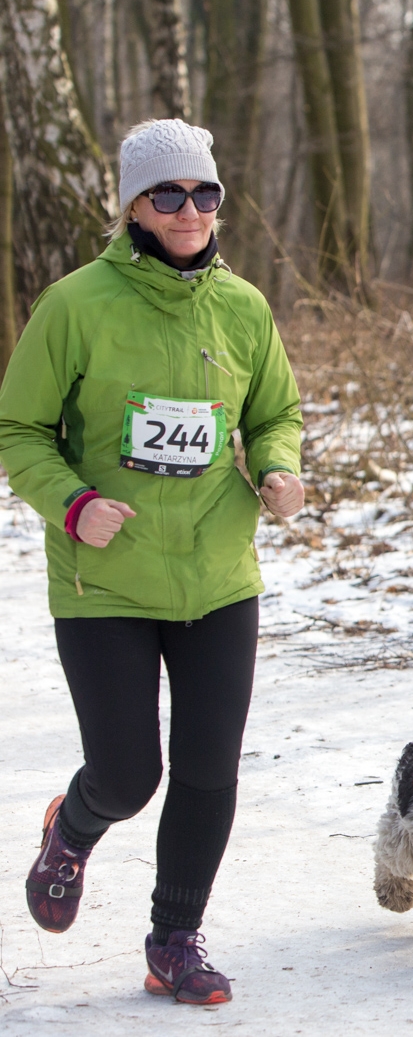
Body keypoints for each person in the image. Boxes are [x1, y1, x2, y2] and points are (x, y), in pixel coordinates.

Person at [0, 119, 303, 1004]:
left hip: (217, 575)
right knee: (132, 773)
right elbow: (18, 430)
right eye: (167, 195)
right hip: (107, 581)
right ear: (132, 206)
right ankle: (74, 825)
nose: (188, 211)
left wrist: (278, 465)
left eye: (203, 193)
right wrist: (75, 503)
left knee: (210, 768)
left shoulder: (244, 307)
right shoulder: (74, 305)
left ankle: (175, 938)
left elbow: (274, 410)